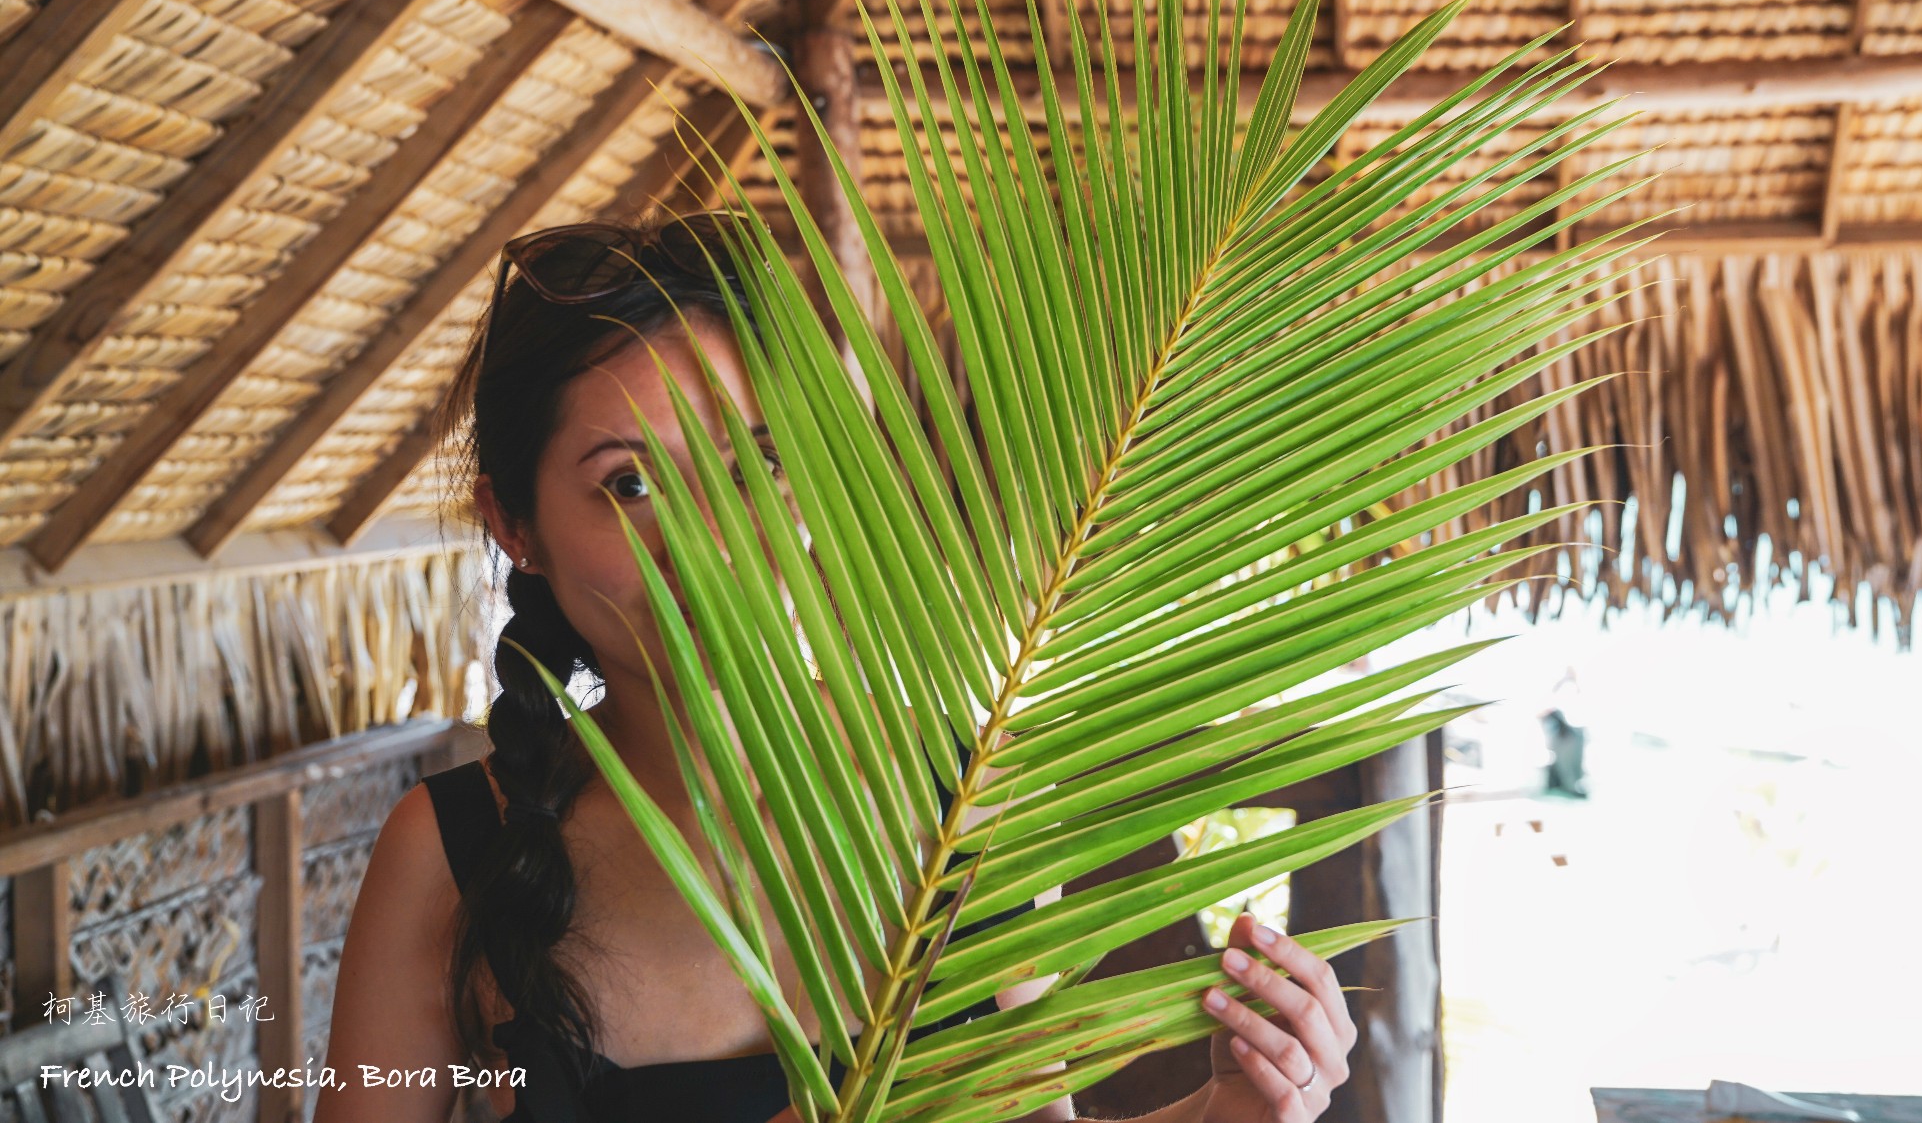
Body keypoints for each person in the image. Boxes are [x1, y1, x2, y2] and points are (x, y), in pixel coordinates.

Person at [314, 211, 1360, 1123]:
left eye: (752, 463)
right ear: (515, 523)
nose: (713, 537)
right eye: (628, 483)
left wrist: (1224, 1102)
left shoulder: (946, 788)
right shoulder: (457, 856)